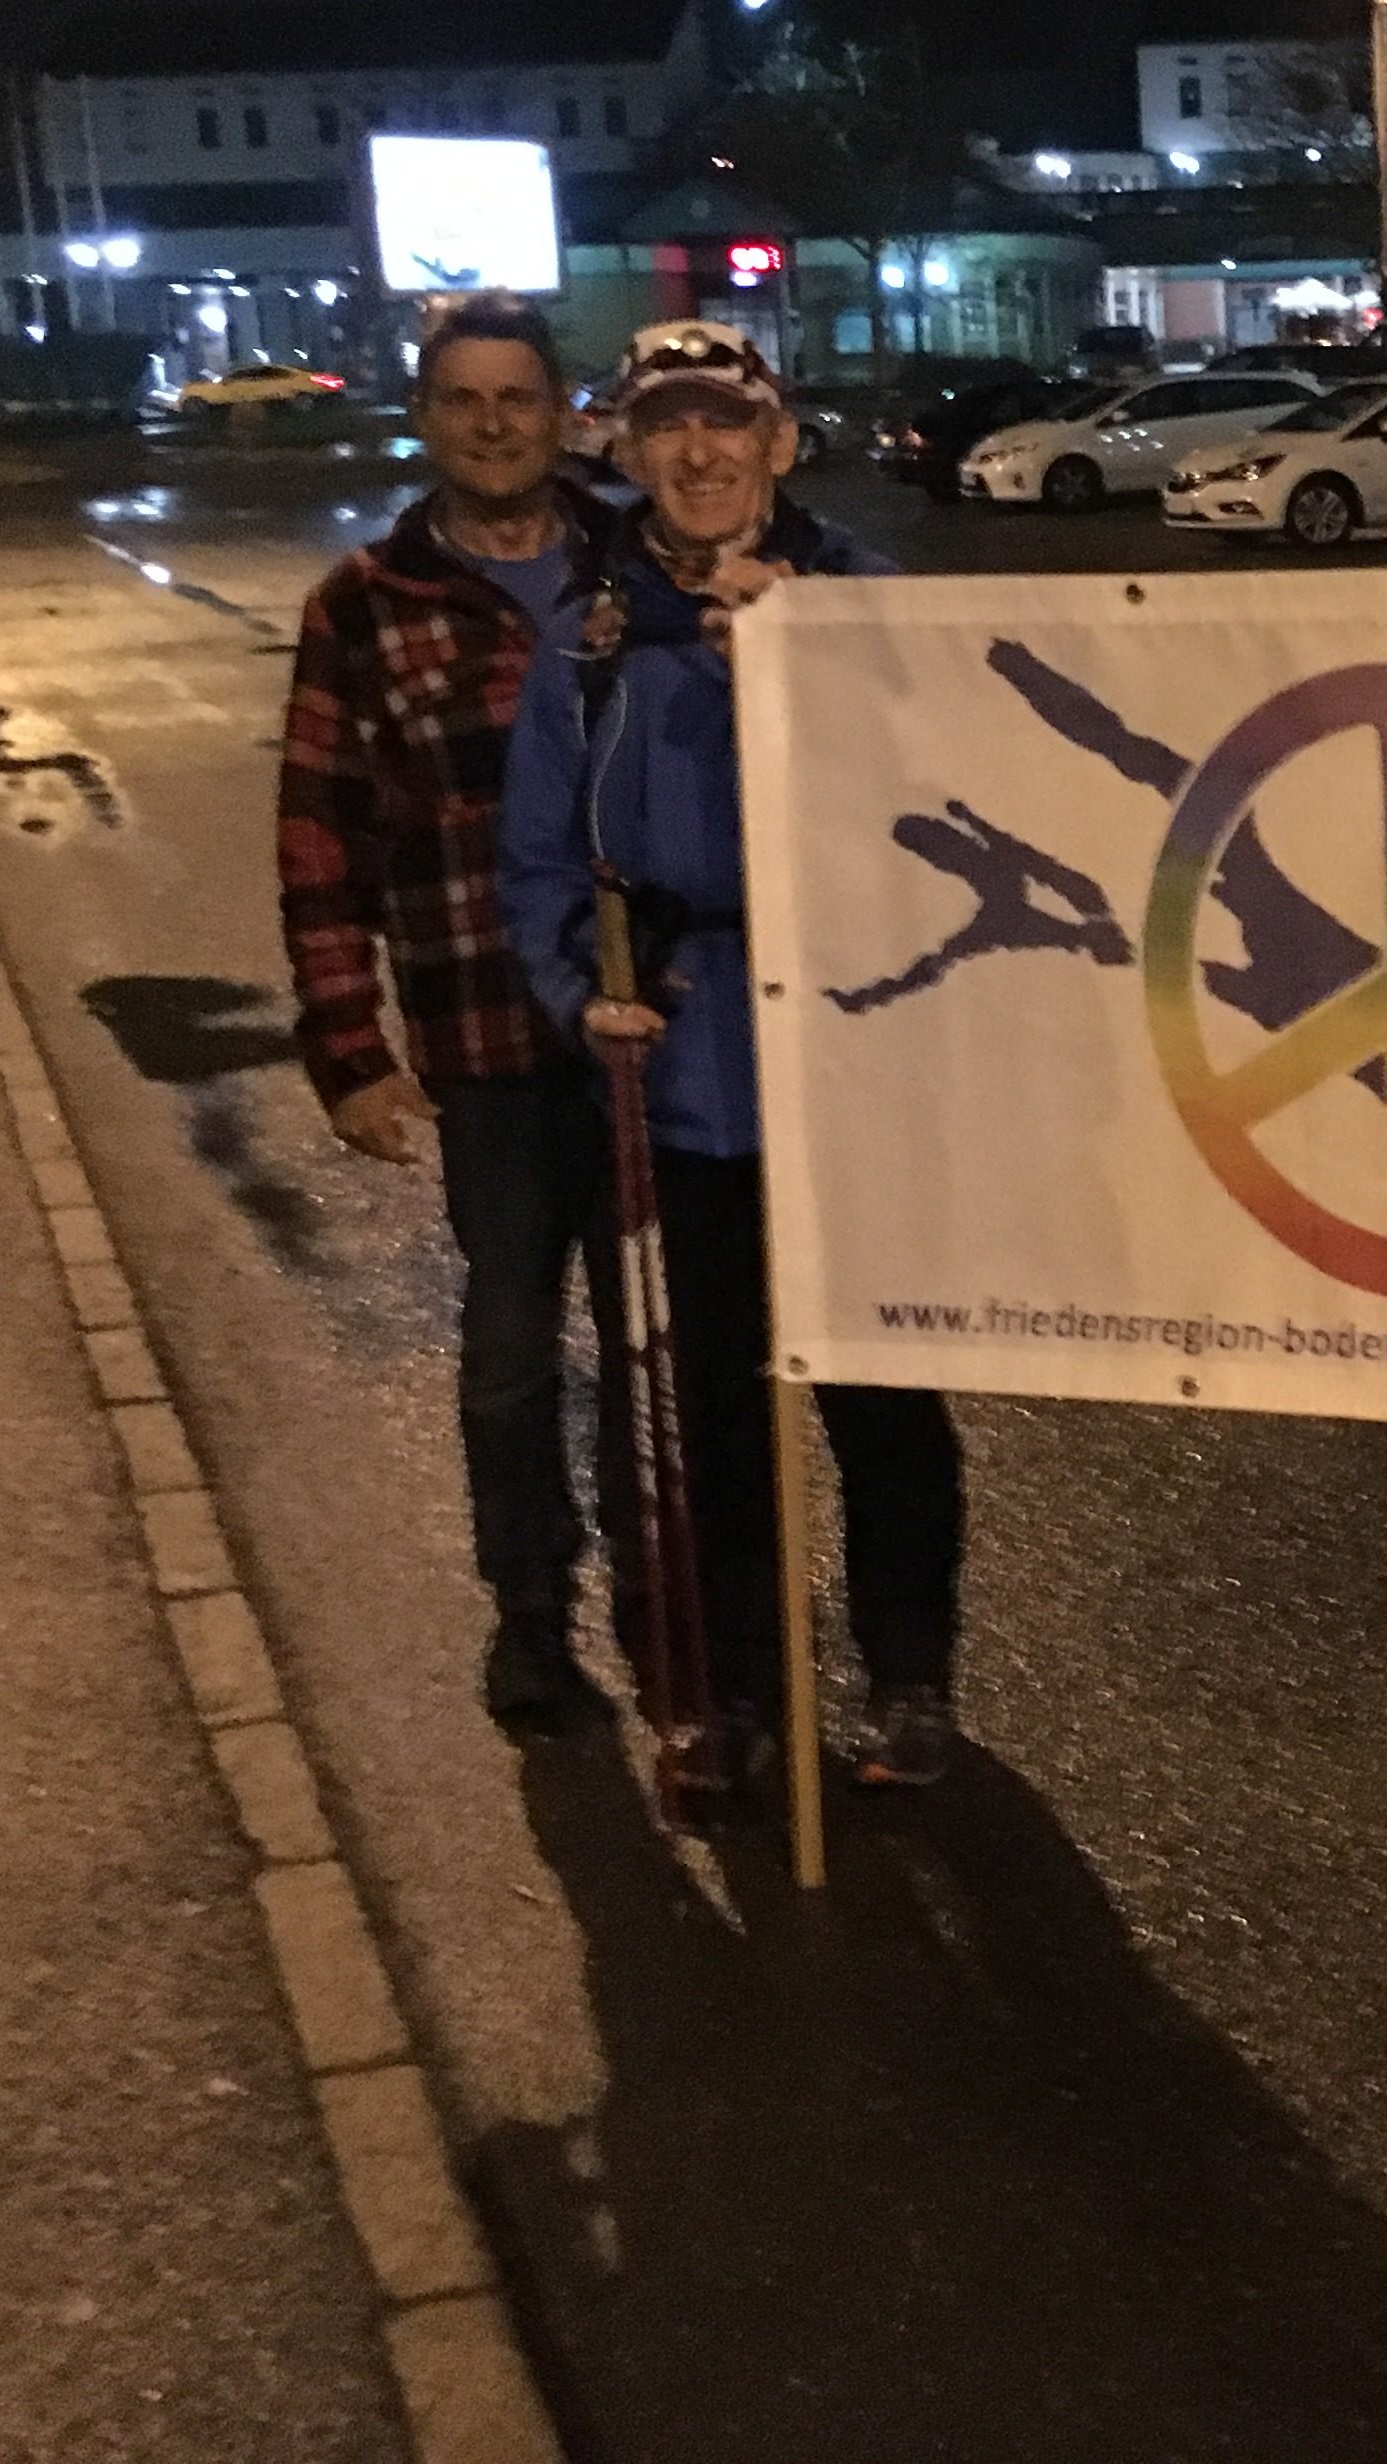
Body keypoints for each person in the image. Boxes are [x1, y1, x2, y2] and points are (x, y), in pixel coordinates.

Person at [498, 319, 971, 1793]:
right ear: (629, 455)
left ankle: (909, 1684)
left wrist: (812, 662)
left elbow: (959, 787)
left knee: (884, 1397)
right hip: (695, 1071)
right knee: (712, 1412)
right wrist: (585, 992)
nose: (698, 453)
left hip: (858, 1059)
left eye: (727, 423)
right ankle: (743, 1698)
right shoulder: (586, 637)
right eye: (666, 429)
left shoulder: (869, 604)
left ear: (778, 441)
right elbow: (538, 861)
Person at [277, 292, 623, 1735]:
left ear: (562, 413)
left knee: (679, 1346)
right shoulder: (365, 604)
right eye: (466, 401)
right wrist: (348, 1052)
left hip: (660, 1039)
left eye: (519, 399)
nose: (494, 424)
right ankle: (533, 1612)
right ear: (426, 418)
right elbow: (321, 842)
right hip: (488, 1044)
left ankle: (692, 1606)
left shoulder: (643, 562)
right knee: (506, 1354)